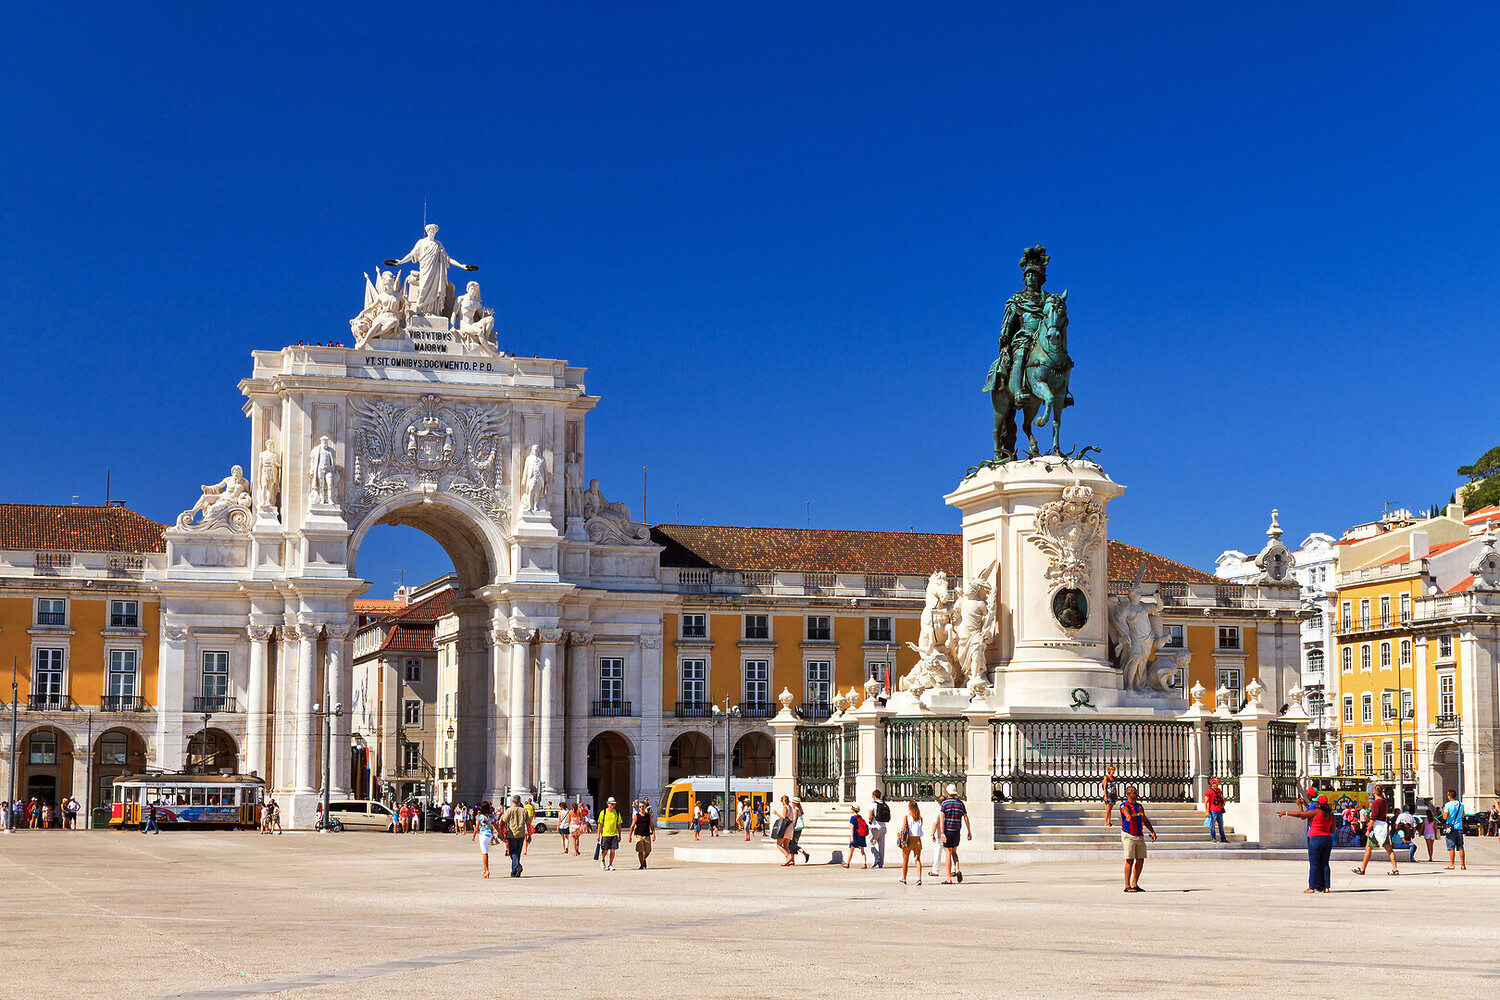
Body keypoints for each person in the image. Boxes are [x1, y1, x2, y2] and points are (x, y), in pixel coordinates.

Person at [1279, 794, 1335, 893]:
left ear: (1318, 804)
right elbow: (1333, 830)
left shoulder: (1315, 812)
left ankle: (1311, 887)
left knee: (1314, 864)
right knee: (1325, 864)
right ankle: (1326, 887)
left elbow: (1300, 815)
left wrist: (1285, 813)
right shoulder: (1331, 815)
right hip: (1327, 839)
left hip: (1316, 839)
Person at [1352, 785, 1399, 876]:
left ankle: (1362, 869)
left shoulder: (1376, 803)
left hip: (1376, 827)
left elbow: (1373, 818)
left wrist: (1368, 829)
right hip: (1383, 826)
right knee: (1389, 848)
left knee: (1368, 847)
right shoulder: (1384, 801)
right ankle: (1395, 868)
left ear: (1374, 792)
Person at [1118, 786, 1156, 892]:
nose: (1137, 794)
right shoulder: (1124, 804)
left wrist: (1152, 831)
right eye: (1135, 792)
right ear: (1129, 794)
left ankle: (1134, 884)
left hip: (1139, 835)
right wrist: (1128, 816)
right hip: (1129, 835)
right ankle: (1127, 885)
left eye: (1137, 792)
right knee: (1129, 860)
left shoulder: (1139, 806)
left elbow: (1145, 820)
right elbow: (1124, 810)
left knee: (1140, 860)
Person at [937, 783, 972, 884]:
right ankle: (957, 869)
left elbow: (942, 819)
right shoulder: (960, 804)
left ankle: (949, 878)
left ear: (948, 792)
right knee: (954, 852)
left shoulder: (944, 804)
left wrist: (942, 833)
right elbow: (966, 817)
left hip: (948, 831)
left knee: (948, 853)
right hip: (957, 831)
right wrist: (969, 831)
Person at [500, 796, 528, 878]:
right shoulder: (524, 811)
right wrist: (529, 834)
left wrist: (501, 831)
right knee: (517, 853)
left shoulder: (509, 810)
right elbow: (528, 824)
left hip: (512, 834)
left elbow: (503, 822)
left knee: (512, 853)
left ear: (513, 801)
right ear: (520, 801)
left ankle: (518, 866)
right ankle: (513, 872)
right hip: (521, 834)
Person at [898, 801, 924, 885]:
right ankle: (919, 878)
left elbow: (903, 829)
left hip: (908, 839)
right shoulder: (920, 818)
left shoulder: (906, 818)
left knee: (905, 860)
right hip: (917, 839)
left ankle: (904, 878)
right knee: (917, 859)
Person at [1442, 789, 1467, 871]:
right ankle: (1463, 865)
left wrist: (1443, 812)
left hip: (1451, 828)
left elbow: (1445, 817)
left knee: (1451, 846)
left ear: (1449, 796)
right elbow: (1463, 815)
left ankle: (1452, 864)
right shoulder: (1461, 804)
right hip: (1459, 827)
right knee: (1460, 846)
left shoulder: (1447, 805)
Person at [597, 797, 622, 870]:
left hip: (614, 834)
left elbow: (619, 824)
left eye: (614, 804)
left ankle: (610, 864)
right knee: (605, 850)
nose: (612, 805)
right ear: (607, 804)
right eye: (611, 804)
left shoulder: (617, 813)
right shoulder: (603, 812)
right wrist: (598, 835)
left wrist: (620, 835)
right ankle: (602, 860)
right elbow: (600, 824)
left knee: (613, 850)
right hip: (605, 834)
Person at [631, 799, 656, 869]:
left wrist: (654, 835)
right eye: (640, 807)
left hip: (647, 835)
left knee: (648, 851)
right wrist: (630, 836)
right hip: (639, 835)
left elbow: (652, 825)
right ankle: (642, 864)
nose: (641, 808)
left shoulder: (648, 816)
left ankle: (643, 859)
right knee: (640, 851)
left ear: (645, 807)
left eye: (643, 807)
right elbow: (632, 826)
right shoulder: (636, 816)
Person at [868, 790, 890, 868]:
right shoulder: (884, 804)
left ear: (874, 796)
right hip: (883, 827)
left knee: (869, 842)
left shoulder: (872, 805)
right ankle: (881, 863)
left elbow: (870, 816)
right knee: (881, 845)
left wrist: (870, 822)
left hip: (875, 827)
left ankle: (877, 857)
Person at [473, 802, 496, 879]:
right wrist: (501, 834)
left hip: (483, 835)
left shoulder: (479, 817)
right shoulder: (492, 816)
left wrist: (473, 836)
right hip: (490, 835)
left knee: (484, 853)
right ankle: (484, 870)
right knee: (486, 852)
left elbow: (476, 828)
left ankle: (487, 870)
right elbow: (496, 826)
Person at [844, 804, 869, 869]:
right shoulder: (860, 817)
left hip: (855, 836)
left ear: (853, 810)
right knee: (862, 851)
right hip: (861, 836)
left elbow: (852, 828)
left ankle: (847, 864)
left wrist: (851, 837)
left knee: (851, 851)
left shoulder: (853, 818)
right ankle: (864, 864)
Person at [772, 795, 794, 866]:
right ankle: (788, 860)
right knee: (786, 846)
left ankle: (788, 858)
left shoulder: (785, 807)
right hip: (790, 827)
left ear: (782, 801)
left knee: (778, 845)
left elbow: (784, 817)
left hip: (785, 828)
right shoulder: (790, 808)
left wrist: (776, 813)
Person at [1204, 777, 1226, 843]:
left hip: (1219, 810)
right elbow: (1205, 802)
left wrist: (1223, 804)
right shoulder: (1209, 791)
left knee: (1221, 824)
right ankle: (1213, 837)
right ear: (1212, 784)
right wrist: (1207, 811)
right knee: (1212, 825)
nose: (1217, 785)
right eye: (1216, 783)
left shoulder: (1219, 790)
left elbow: (1221, 798)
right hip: (1212, 810)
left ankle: (1223, 838)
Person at [788, 798, 810, 865]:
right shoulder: (799, 809)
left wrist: (791, 827)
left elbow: (794, 820)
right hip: (798, 829)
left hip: (795, 828)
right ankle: (795, 858)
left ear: (795, 803)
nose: (791, 803)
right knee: (793, 843)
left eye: (792, 802)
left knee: (792, 843)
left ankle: (803, 854)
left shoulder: (796, 809)